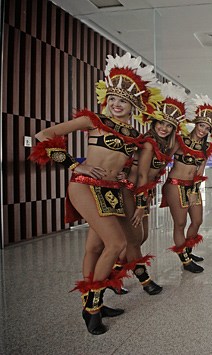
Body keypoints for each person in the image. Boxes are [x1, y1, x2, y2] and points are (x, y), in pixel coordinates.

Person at [29, 53, 160, 334]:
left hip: (112, 190)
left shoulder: (137, 139)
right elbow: (44, 135)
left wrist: (135, 193)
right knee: (116, 244)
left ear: (133, 106)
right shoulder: (93, 120)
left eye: (122, 100)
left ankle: (92, 303)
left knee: (95, 247)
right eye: (112, 98)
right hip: (85, 186)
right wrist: (77, 164)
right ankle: (93, 310)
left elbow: (140, 174)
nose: (115, 104)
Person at [119, 82, 188, 294]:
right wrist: (141, 204)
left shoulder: (168, 144)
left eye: (169, 125)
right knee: (134, 238)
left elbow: (185, 141)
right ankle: (144, 279)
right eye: (161, 123)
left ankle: (112, 274)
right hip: (131, 190)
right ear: (153, 122)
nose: (163, 128)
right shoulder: (149, 143)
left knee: (142, 236)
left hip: (144, 191)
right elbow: (141, 174)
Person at [162, 94, 212, 273]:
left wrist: (193, 191)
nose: (203, 130)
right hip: (175, 185)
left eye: (207, 128)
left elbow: (200, 172)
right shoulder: (180, 140)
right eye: (201, 125)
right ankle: (185, 260)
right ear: (196, 124)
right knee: (180, 223)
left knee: (197, 221)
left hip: (193, 187)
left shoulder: (206, 148)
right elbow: (163, 159)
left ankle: (188, 251)